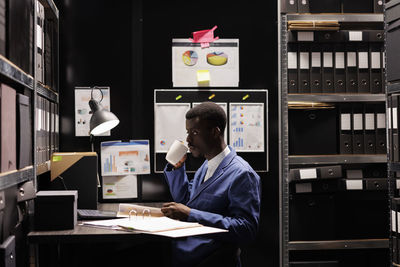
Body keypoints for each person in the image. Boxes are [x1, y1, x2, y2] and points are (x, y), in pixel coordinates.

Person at [162, 102, 261, 267]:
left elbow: (246, 229)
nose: (188, 140)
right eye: (188, 132)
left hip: (213, 260)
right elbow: (188, 200)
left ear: (215, 132)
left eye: (194, 132)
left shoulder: (242, 174)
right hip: (188, 255)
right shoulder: (207, 165)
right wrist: (177, 170)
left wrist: (190, 215)